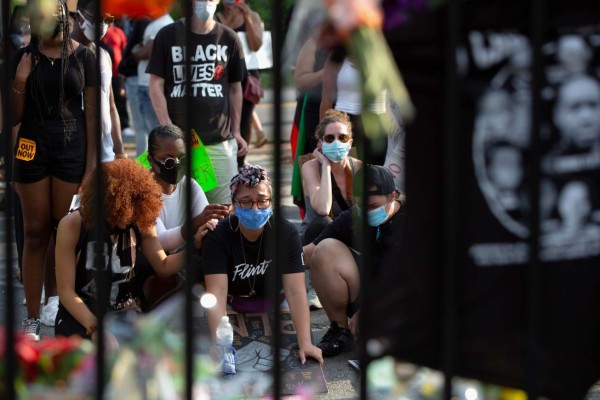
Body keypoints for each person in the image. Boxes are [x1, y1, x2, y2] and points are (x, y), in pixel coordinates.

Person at [11, 0, 98, 340]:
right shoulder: (22, 57)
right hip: (31, 150)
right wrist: (20, 80)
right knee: (35, 234)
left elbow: (93, 117)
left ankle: (64, 305)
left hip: (72, 151)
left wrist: (91, 168)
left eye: (62, 18)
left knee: (67, 232)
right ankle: (32, 317)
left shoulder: (85, 57)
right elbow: (13, 117)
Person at [54, 159, 216, 340]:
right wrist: (96, 328)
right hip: (82, 312)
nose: (127, 219)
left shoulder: (140, 220)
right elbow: (66, 292)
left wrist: (195, 246)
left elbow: (163, 266)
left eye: (133, 212)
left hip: (126, 312)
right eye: (120, 213)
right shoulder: (73, 225)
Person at [202, 164, 323, 365]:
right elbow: (217, 294)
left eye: (262, 201)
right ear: (234, 203)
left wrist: (306, 343)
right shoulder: (218, 236)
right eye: (246, 202)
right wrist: (220, 344)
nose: (255, 208)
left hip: (276, 301)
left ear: (271, 202)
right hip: (230, 303)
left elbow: (296, 291)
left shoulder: (286, 233)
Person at [148, 0, 248, 205]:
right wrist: (168, 128)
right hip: (178, 146)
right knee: (178, 208)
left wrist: (236, 131)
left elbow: (236, 88)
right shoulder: (168, 35)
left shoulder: (229, 38)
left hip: (219, 142)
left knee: (223, 210)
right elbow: (155, 85)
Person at [303, 165, 405, 357]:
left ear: (393, 196)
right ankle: (340, 332)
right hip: (366, 292)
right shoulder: (354, 217)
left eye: (373, 206)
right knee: (325, 249)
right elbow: (309, 253)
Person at [147, 124, 229, 253]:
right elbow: (160, 242)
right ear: (151, 160)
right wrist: (196, 223)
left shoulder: (189, 185)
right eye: (168, 161)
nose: (176, 164)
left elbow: (208, 221)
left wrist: (210, 222)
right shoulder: (142, 192)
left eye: (182, 158)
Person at [73, 0, 126, 162]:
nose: (101, 24)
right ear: (78, 16)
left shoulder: (104, 55)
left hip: (105, 151)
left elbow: (111, 106)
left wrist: (119, 151)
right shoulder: (62, 53)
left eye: (107, 19)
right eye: (96, 17)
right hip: (73, 151)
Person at [300, 109, 362, 245]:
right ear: (320, 144)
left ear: (350, 143)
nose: (336, 142)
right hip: (316, 238)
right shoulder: (311, 167)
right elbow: (323, 209)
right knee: (324, 221)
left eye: (342, 137)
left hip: (347, 234)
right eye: (330, 138)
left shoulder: (359, 167)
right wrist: (326, 166)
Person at [216, 0, 266, 167]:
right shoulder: (217, 17)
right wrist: (230, 19)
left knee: (245, 119)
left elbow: (257, 44)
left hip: (249, 74)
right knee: (224, 117)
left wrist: (247, 18)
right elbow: (220, 40)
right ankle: (225, 156)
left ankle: (240, 160)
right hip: (224, 74)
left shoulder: (252, 15)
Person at [131, 12, 173, 156]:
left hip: (151, 85)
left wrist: (137, 50)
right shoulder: (155, 23)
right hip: (145, 83)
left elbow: (144, 52)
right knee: (146, 131)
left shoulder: (163, 24)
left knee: (155, 134)